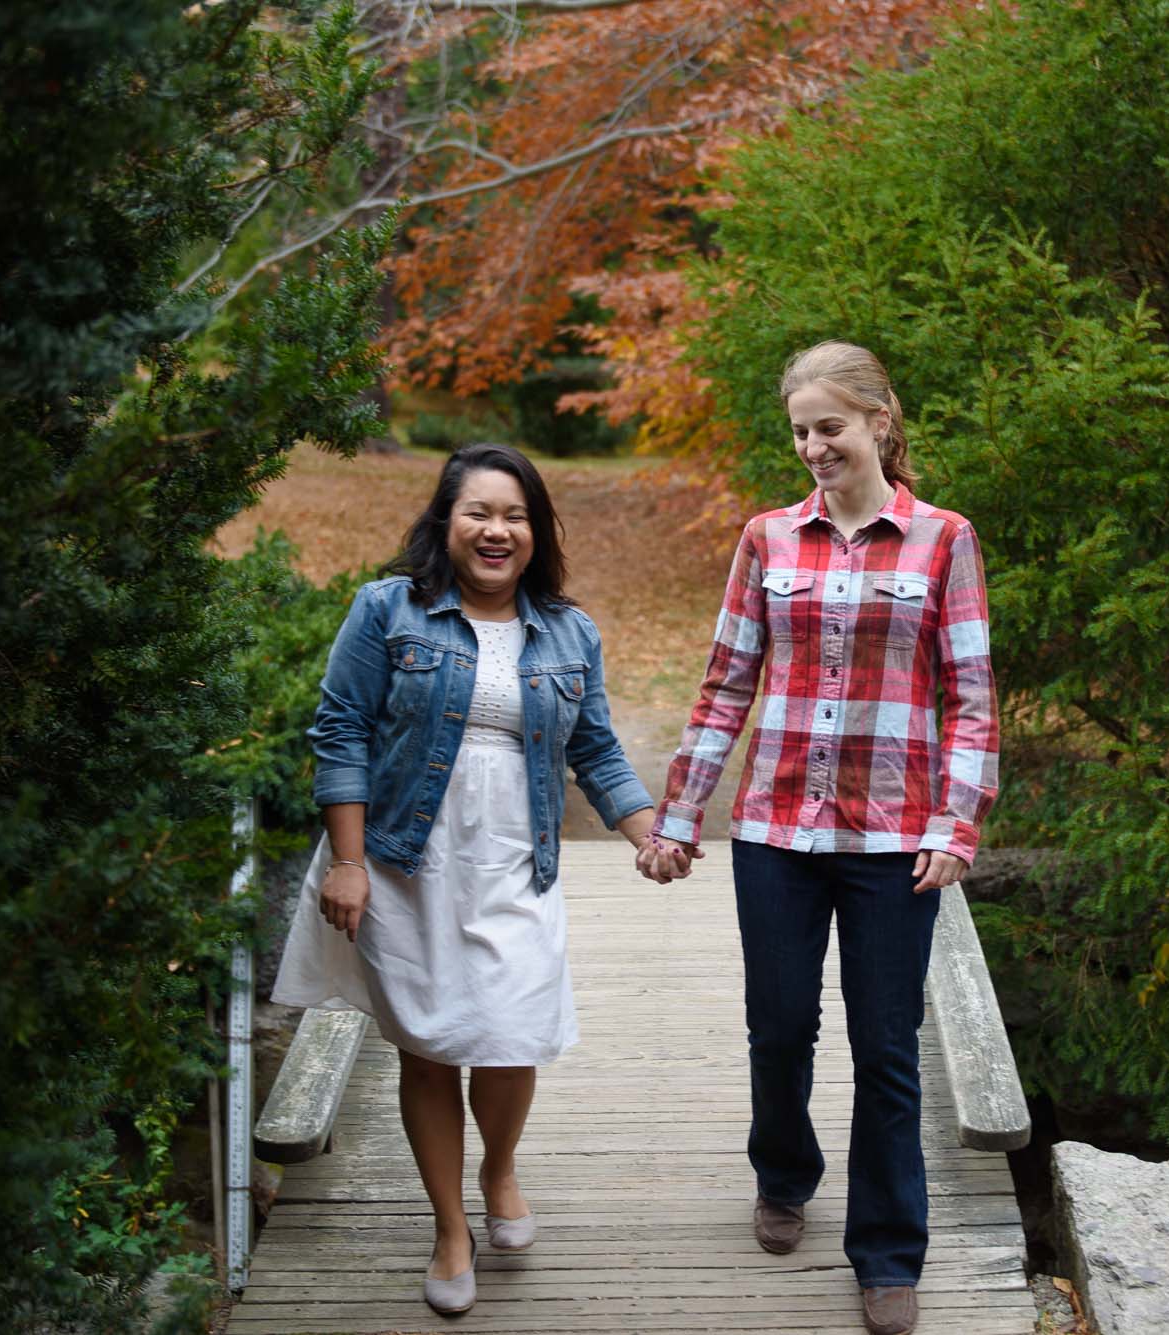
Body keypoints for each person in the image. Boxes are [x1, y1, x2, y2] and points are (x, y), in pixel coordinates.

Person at [637, 342, 999, 1335]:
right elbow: (725, 684)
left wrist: (956, 823)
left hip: (893, 839)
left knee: (886, 1049)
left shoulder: (942, 539)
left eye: (828, 428)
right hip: (776, 830)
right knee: (779, 1025)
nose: (811, 448)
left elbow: (969, 697)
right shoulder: (765, 540)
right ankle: (783, 1174)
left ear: (879, 423)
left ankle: (886, 1254)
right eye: (799, 431)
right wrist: (677, 815)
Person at [272, 442, 659, 1315]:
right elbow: (340, 732)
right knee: (432, 1040)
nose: (497, 529)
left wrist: (647, 832)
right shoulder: (387, 610)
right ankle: (450, 1223)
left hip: (516, 857)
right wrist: (347, 859)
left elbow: (592, 746)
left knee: (512, 1031)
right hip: (407, 859)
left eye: (516, 515)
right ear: (446, 521)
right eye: (479, 511)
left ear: (537, 531)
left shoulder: (568, 629)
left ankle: (500, 1165)